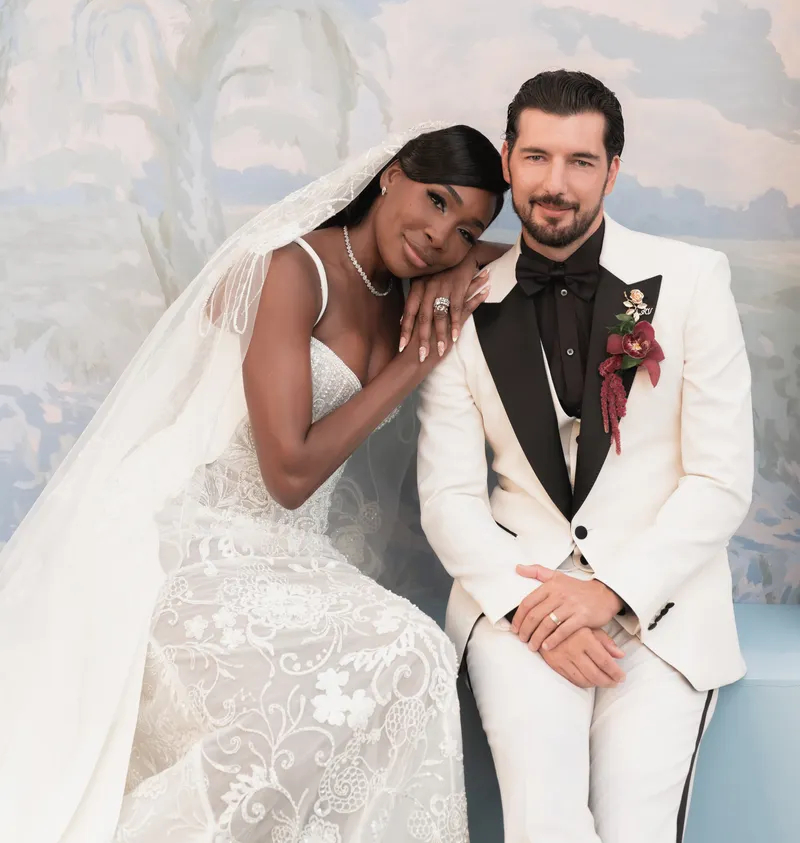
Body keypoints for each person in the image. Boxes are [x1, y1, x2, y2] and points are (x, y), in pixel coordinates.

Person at [0, 123, 508, 843]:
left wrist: (464, 268)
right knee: (389, 658)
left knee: (420, 655)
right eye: (435, 200)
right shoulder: (291, 268)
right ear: (391, 174)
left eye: (466, 230)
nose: (439, 234)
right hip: (188, 536)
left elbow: (534, 256)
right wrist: (411, 365)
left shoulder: (405, 285)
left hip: (292, 553)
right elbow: (289, 473)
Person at [416, 71, 754, 843]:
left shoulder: (694, 280)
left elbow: (720, 478)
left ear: (613, 169)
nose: (555, 184)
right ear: (508, 158)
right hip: (518, 602)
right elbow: (448, 497)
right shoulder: (461, 301)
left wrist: (611, 593)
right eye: (536, 157)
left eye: (580, 161)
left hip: (662, 605)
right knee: (545, 824)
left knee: (638, 828)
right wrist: (533, 609)